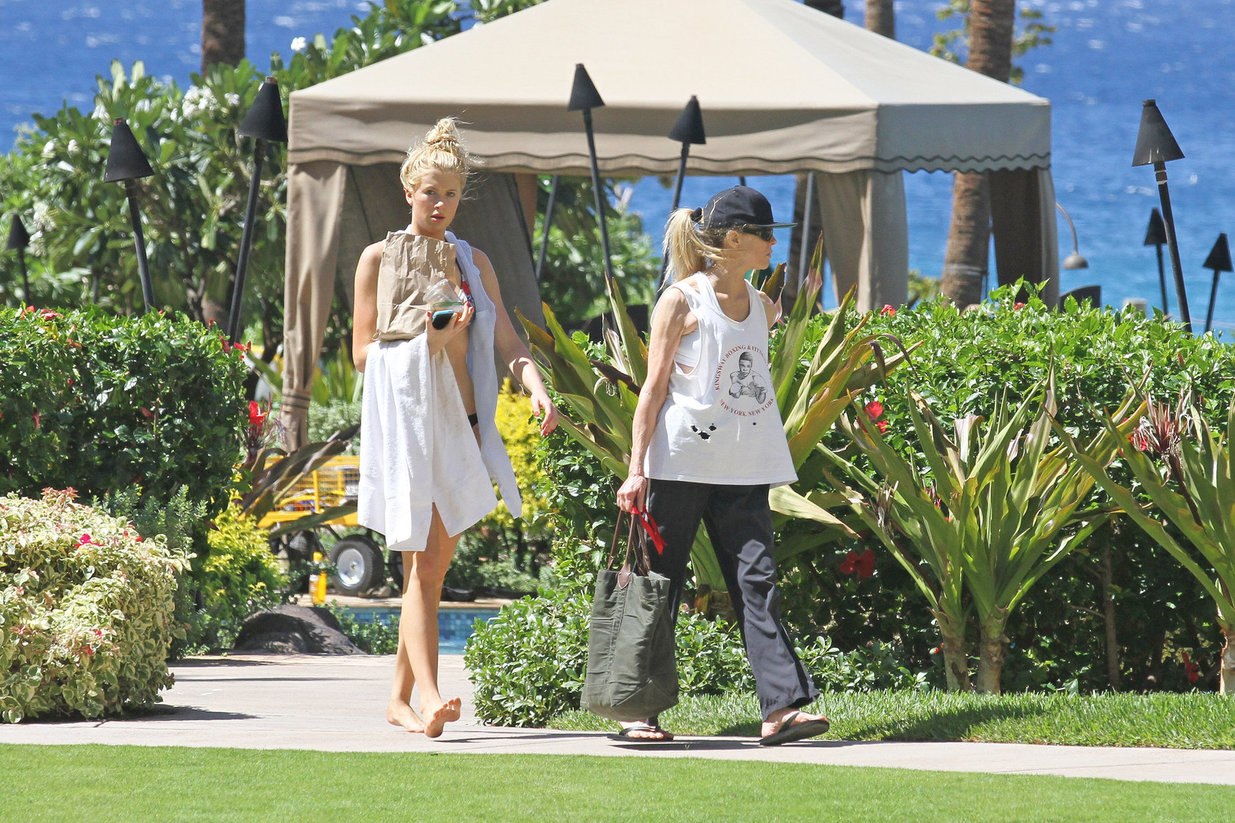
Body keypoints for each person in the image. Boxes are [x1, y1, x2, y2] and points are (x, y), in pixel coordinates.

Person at [352, 118, 558, 738]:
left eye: (449, 193)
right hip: (415, 428)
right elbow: (363, 355)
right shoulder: (377, 259)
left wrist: (536, 386)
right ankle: (433, 696)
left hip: (467, 426)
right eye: (429, 191)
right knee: (422, 564)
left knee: (433, 569)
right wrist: (428, 342)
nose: (438, 203)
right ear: (407, 188)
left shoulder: (473, 261)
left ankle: (398, 700)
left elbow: (506, 341)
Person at [615, 185, 830, 745]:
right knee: (659, 584)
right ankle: (637, 710)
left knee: (758, 583)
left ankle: (780, 709)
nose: (771, 245)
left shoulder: (762, 306)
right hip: (680, 465)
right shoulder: (680, 301)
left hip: (745, 468)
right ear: (734, 239)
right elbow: (652, 389)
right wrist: (636, 470)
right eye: (765, 235)